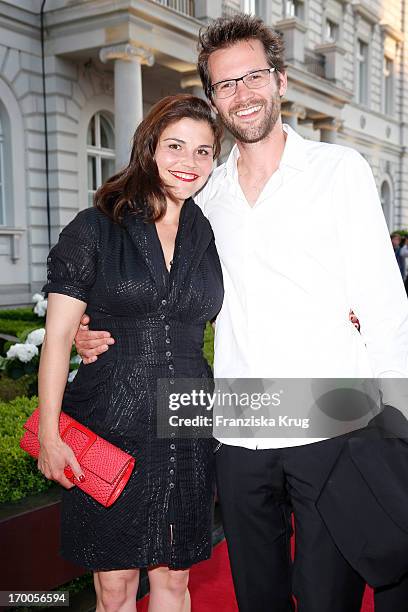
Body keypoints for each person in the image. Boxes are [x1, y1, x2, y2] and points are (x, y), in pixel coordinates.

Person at [74, 14, 408, 612]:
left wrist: (400, 426)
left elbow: (385, 307)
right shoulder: (205, 193)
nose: (242, 93)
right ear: (213, 98)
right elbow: (145, 272)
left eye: (253, 76)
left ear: (280, 82)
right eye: (226, 84)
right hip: (235, 427)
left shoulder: (339, 172)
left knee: (327, 597)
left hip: (331, 422)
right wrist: (88, 323)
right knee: (257, 598)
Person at [37, 94, 224, 612]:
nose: (188, 162)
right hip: (109, 421)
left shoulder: (209, 234)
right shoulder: (96, 227)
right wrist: (50, 435)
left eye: (203, 152)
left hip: (186, 422)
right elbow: (56, 338)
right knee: (115, 586)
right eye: (175, 146)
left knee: (175, 581)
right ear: (149, 147)